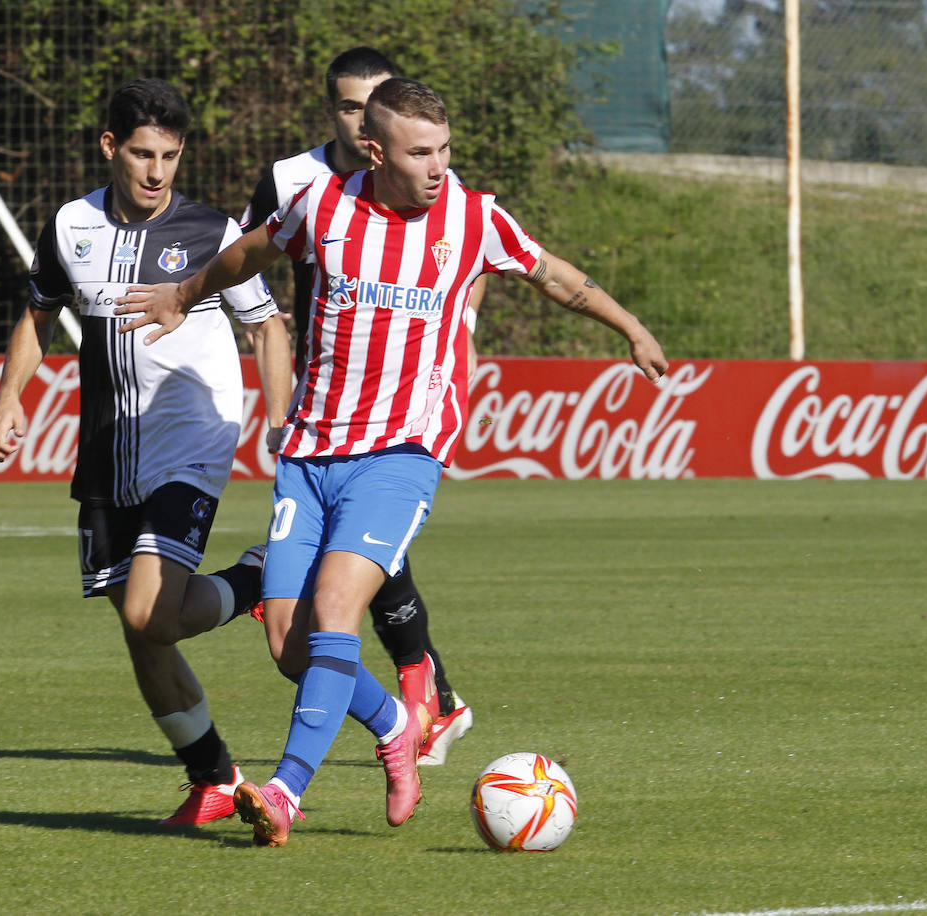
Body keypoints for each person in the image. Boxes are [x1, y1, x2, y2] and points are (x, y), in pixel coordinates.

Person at [114, 77, 667, 847]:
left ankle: (283, 793)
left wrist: (629, 325)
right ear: (375, 151)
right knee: (290, 645)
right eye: (419, 153)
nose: (438, 167)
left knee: (337, 609)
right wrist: (184, 292)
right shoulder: (323, 205)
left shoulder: (471, 218)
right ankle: (395, 727)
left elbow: (554, 275)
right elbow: (248, 252)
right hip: (311, 451)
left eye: (444, 149)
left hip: (403, 451)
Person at [0, 78, 293, 828]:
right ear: (110, 147)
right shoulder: (70, 225)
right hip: (108, 449)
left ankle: (255, 581)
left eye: (171, 156)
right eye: (144, 154)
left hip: (193, 438)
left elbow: (269, 327)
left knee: (152, 612)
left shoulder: (212, 232)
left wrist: (279, 418)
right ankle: (212, 776)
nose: (157, 172)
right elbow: (39, 312)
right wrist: (9, 395)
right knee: (138, 623)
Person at [240, 46, 472, 767]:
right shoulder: (295, 181)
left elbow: (463, 285)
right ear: (341, 115)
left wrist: (450, 375)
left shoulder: (431, 180)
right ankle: (423, 702)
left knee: (357, 582)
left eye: (372, 100)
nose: (358, 114)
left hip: (393, 419)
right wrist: (280, 404)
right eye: (347, 103)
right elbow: (252, 281)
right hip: (320, 415)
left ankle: (417, 698)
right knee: (322, 613)